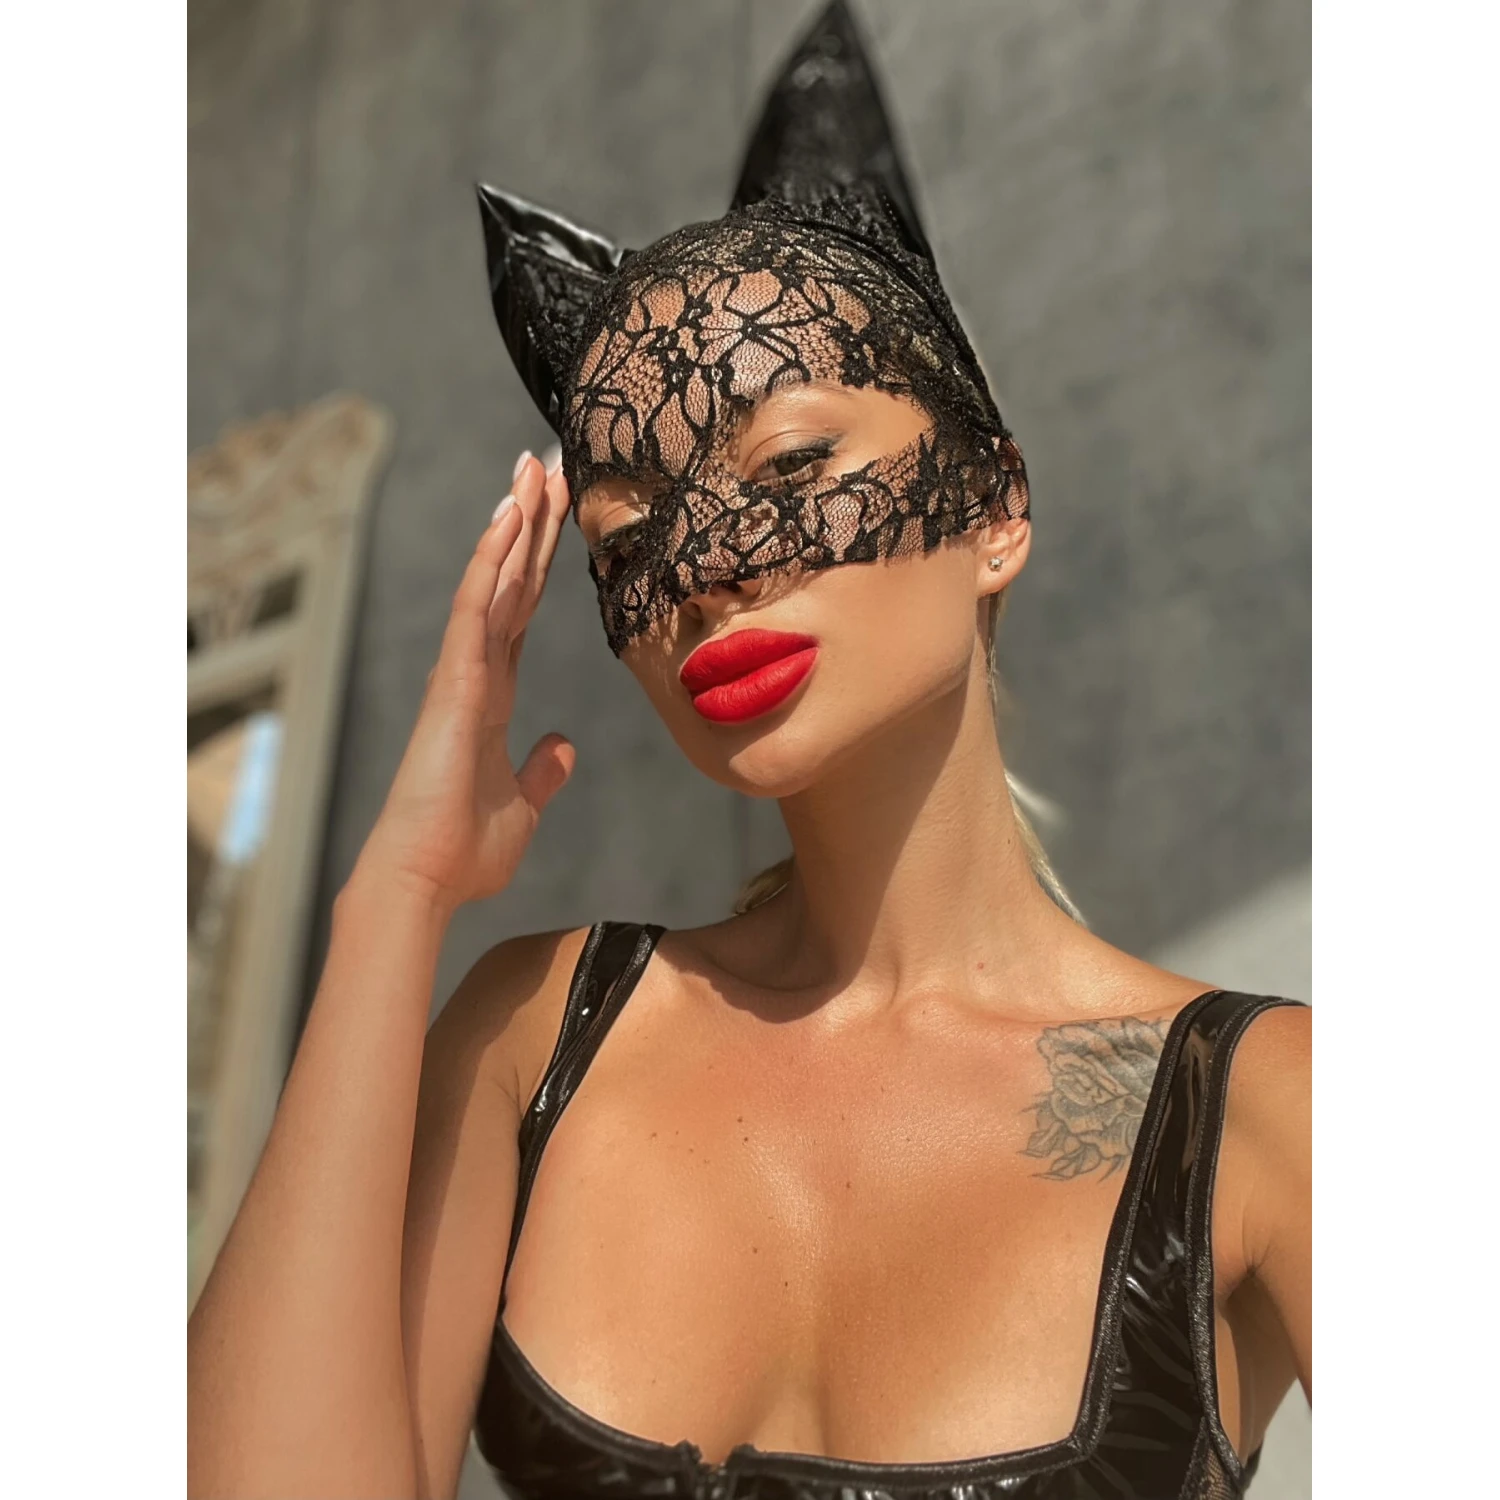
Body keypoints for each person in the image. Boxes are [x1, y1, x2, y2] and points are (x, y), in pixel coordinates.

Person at [185, 5, 1310, 1498]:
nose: (707, 566)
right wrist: (394, 896)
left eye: (788, 465)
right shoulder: (538, 1037)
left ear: (994, 506)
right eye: (628, 538)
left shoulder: (1269, 1105)